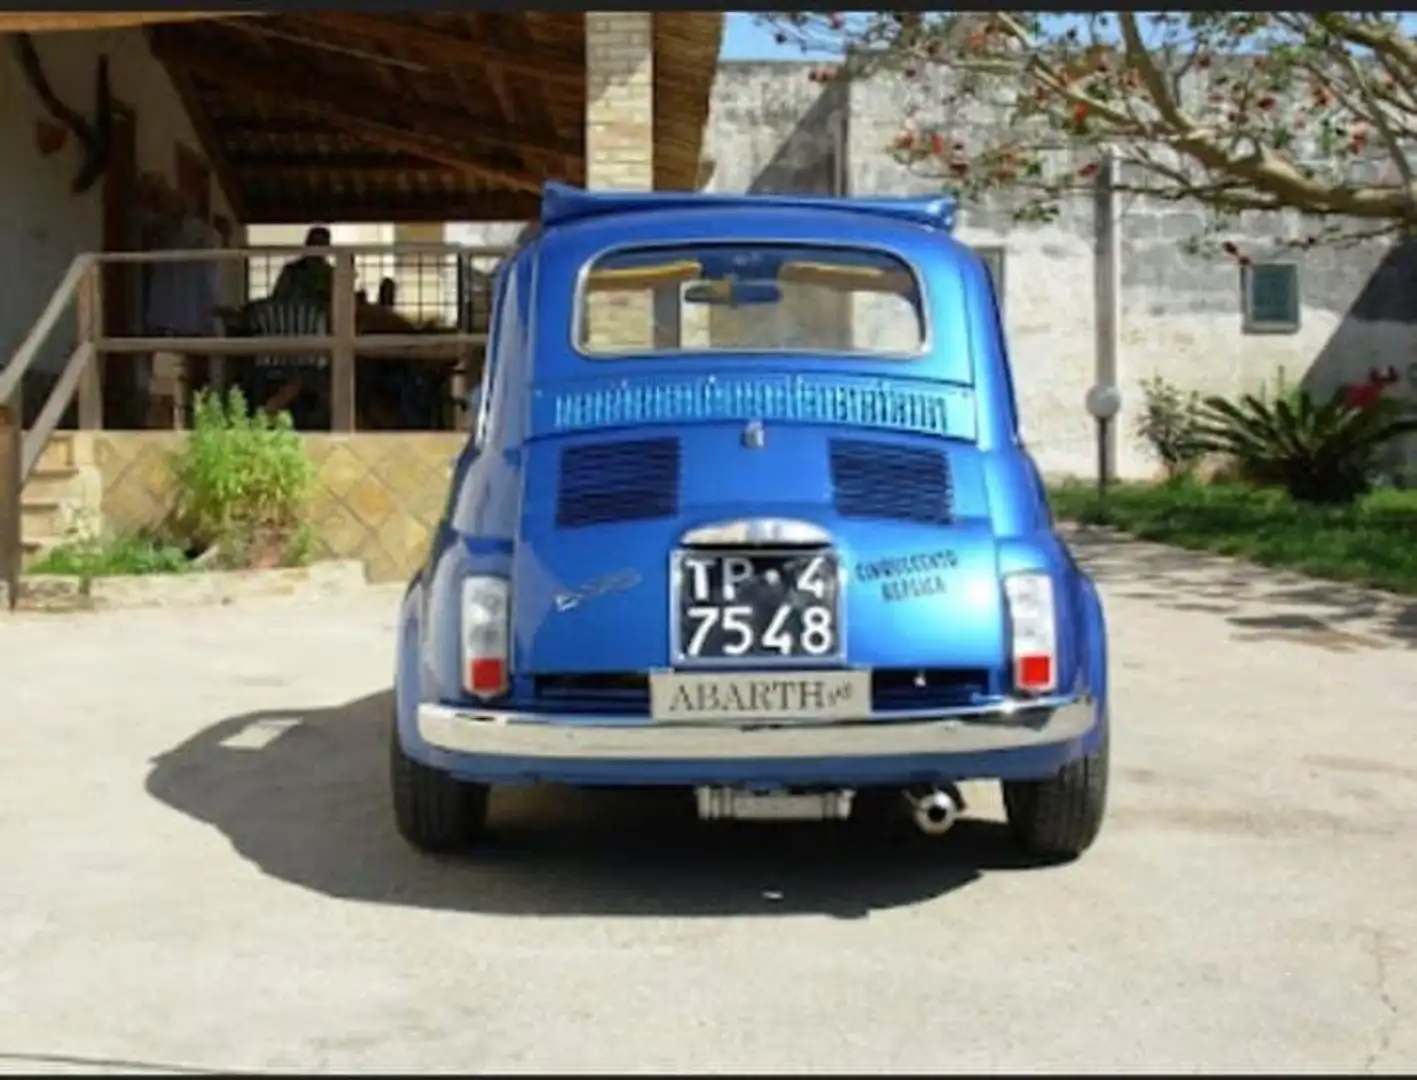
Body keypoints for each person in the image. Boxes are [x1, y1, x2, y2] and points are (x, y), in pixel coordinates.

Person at [271, 226, 334, 308]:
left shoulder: (332, 274)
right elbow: (278, 299)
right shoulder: (291, 271)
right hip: (294, 313)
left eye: (321, 244)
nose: (317, 248)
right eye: (315, 243)